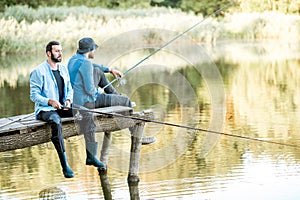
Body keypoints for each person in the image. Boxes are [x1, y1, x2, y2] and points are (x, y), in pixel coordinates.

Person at [30, 41, 105, 179]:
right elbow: (34, 95)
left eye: (61, 51)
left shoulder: (63, 69)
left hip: (64, 106)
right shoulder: (38, 71)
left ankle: (91, 156)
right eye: (57, 51)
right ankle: (65, 165)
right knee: (56, 121)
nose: (60, 54)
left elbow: (69, 89)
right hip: (46, 110)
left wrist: (69, 100)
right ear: (49, 53)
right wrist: (50, 101)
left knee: (87, 113)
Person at [67, 37, 156, 145]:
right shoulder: (86, 64)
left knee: (98, 71)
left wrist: (109, 70)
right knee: (126, 101)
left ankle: (116, 97)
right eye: (93, 49)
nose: (94, 51)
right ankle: (139, 137)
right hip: (88, 102)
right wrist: (97, 91)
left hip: (78, 100)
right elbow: (90, 91)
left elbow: (93, 66)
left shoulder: (73, 60)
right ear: (90, 50)